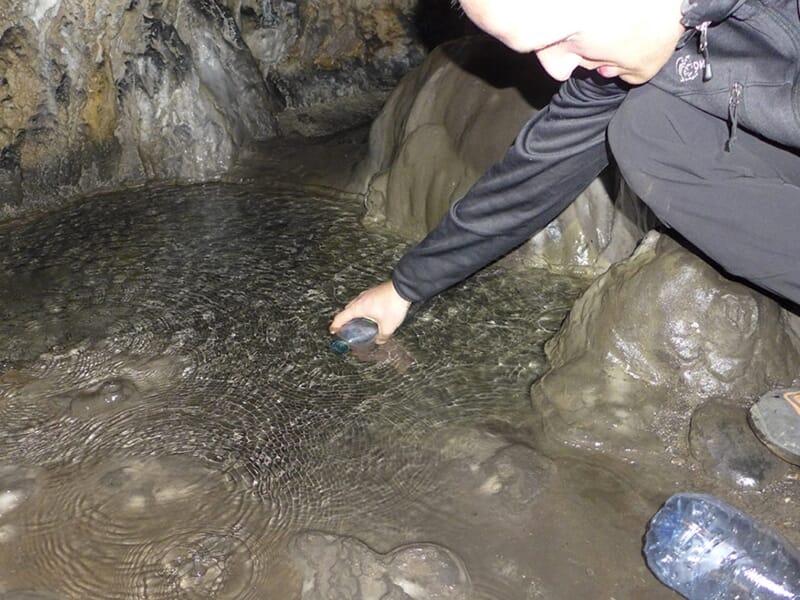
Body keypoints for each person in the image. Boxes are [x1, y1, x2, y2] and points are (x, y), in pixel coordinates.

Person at [330, 0, 800, 460]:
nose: (555, 69)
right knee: (650, 131)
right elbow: (538, 171)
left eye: (565, 36)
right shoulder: (643, 46)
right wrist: (404, 287)